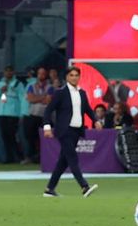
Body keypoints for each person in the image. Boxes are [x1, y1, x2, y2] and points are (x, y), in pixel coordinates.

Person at [42, 66, 99, 198]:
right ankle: (84, 187)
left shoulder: (82, 93)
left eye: (76, 75)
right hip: (64, 130)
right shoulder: (60, 93)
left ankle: (49, 188)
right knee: (72, 158)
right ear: (67, 77)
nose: (74, 77)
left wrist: (95, 120)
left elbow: (88, 110)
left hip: (76, 131)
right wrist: (47, 127)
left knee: (63, 161)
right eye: (71, 75)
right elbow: (48, 110)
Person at [0, 65, 24, 163]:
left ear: (13, 73)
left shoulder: (18, 84)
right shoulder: (0, 84)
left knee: (12, 136)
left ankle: (19, 157)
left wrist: (22, 114)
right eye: (6, 71)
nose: (8, 73)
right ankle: (8, 158)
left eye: (10, 71)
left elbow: (22, 99)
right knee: (4, 136)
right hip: (2, 113)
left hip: (13, 114)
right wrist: (0, 91)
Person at [25, 67, 54, 163]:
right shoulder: (31, 86)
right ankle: (31, 157)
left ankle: (44, 157)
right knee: (30, 137)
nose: (41, 75)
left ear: (45, 75)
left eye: (43, 73)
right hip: (33, 115)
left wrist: (36, 98)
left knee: (45, 137)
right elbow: (30, 99)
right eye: (39, 73)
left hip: (45, 116)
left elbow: (48, 100)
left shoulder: (50, 87)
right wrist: (42, 97)